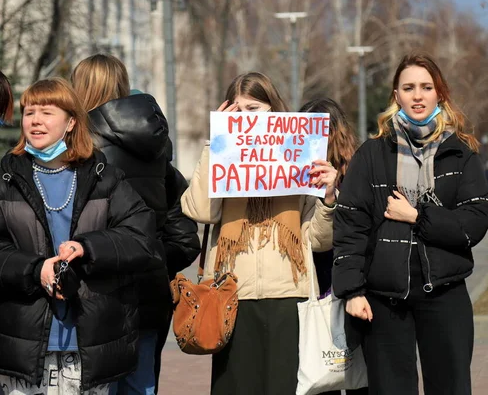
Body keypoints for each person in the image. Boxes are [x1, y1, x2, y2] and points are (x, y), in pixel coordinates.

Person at [332, 52, 488, 395]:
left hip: (446, 293)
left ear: (440, 95)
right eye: (408, 88)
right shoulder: (372, 154)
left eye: (426, 87)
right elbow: (350, 226)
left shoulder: (461, 153)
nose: (417, 95)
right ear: (396, 96)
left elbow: (475, 222)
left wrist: (418, 216)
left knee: (451, 387)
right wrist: (353, 291)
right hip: (384, 299)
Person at [0, 77, 160, 394]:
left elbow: (142, 238)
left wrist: (88, 247)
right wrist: (34, 269)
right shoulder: (6, 177)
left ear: (71, 121)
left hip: (88, 340)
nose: (35, 121)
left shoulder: (104, 176)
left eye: (47, 112)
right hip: (23, 340)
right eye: (29, 112)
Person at [181, 72, 337, 395]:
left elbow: (320, 240)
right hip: (232, 298)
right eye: (236, 112)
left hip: (290, 299)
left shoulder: (300, 159)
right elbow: (199, 210)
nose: (245, 119)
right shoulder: (222, 157)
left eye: (253, 109)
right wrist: (215, 145)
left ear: (274, 112)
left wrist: (329, 198)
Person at [71, 53, 201, 394]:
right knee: (141, 385)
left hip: (92, 293)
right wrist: (154, 259)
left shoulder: (78, 147)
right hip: (148, 295)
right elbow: (184, 234)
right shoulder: (158, 150)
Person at [299, 97, 368, 395]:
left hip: (349, 279)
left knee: (354, 371)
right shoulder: (292, 171)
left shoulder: (358, 169)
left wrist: (334, 191)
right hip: (313, 279)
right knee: (320, 371)